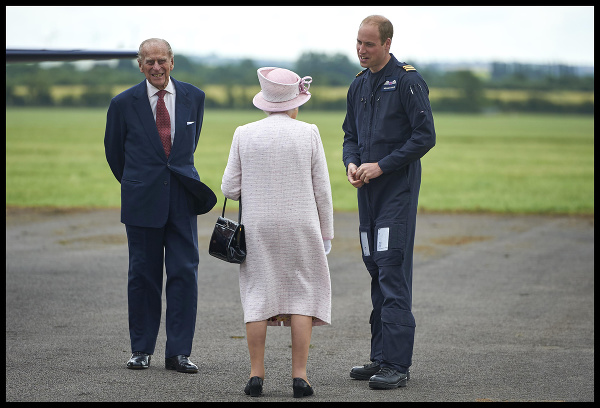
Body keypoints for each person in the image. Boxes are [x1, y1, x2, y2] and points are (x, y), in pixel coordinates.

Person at [104, 38, 217, 373]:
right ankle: (141, 349)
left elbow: (187, 146)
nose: (156, 67)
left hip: (182, 197)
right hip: (142, 201)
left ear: (172, 62)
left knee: (184, 273)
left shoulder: (195, 97)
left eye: (162, 61)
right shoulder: (123, 103)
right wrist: (140, 182)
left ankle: (179, 353)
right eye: (149, 61)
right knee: (143, 276)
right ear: (140, 65)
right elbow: (115, 155)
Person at [221, 67, 334, 398]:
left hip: (258, 227)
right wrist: (326, 232)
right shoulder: (309, 132)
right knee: (302, 296)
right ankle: (300, 376)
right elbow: (322, 190)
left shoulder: (244, 132)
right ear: (294, 103)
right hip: (302, 225)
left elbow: (230, 187)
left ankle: (257, 374)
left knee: (258, 294)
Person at [342, 15, 436, 389]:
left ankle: (397, 364)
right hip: (367, 194)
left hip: (397, 192)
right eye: (358, 43)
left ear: (387, 43)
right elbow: (349, 134)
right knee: (375, 267)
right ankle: (380, 357)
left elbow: (424, 137)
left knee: (391, 267)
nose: (361, 50)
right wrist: (351, 162)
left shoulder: (408, 81)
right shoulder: (359, 84)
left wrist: (382, 166)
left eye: (369, 44)